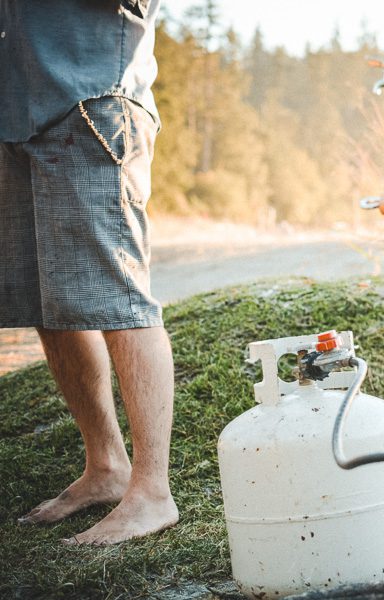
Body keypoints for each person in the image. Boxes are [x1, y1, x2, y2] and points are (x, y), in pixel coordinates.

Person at [0, 0, 178, 545]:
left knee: (120, 301)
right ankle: (106, 467)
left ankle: (152, 492)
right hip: (16, 114)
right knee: (51, 304)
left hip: (90, 105)